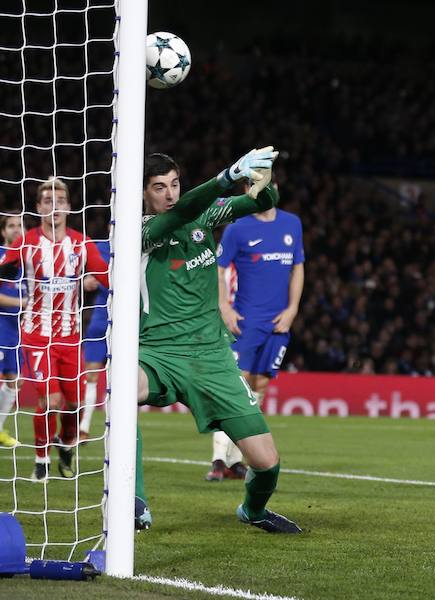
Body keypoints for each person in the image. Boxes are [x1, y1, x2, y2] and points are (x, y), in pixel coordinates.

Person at [136, 148, 302, 533]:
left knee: (266, 461)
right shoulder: (138, 231)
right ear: (144, 194)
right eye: (159, 187)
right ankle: (135, 500)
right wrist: (226, 177)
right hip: (157, 353)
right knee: (121, 390)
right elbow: (180, 212)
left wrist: (263, 183)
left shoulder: (205, 216)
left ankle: (254, 511)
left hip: (212, 356)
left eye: (175, 184)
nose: (170, 194)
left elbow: (263, 202)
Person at [0, 179, 110, 481]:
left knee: (73, 406)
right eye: (48, 201)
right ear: (38, 208)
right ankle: (41, 458)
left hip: (71, 337)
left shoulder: (82, 243)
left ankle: (65, 442)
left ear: (69, 207)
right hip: (36, 335)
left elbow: (105, 277)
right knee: (50, 401)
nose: (55, 207)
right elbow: (4, 269)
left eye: (60, 201)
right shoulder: (26, 242)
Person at [205, 186, 305, 482]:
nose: (267, 189)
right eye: (258, 184)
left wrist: (293, 309)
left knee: (259, 384)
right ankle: (218, 459)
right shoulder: (238, 228)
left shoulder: (292, 223)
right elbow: (218, 268)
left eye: (271, 183)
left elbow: (298, 267)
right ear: (249, 191)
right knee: (236, 387)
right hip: (245, 322)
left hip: (278, 322)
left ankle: (237, 460)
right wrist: (224, 305)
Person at [79, 235, 111, 444]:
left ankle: (114, 429)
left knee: (118, 379)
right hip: (101, 318)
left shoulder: (142, 243)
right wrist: (87, 280)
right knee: (91, 375)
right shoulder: (101, 247)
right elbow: (86, 279)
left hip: (127, 321)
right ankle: (84, 427)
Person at [0, 216, 25, 448]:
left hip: (15, 330)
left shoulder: (28, 259)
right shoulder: (1, 256)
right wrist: (25, 302)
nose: (17, 230)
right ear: (3, 232)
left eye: (20, 225)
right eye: (11, 226)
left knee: (15, 381)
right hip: (0, 325)